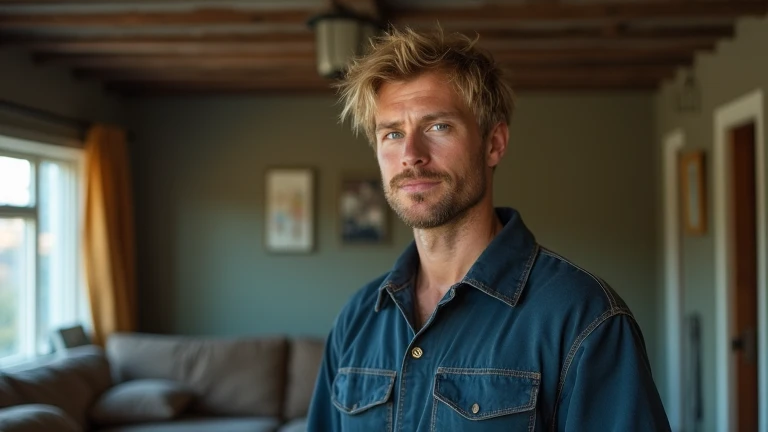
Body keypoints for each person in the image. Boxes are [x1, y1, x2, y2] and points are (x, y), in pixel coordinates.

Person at [307, 26, 671, 431]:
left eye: (437, 127)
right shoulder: (357, 320)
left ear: (494, 143)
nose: (410, 155)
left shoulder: (583, 317)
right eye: (392, 133)